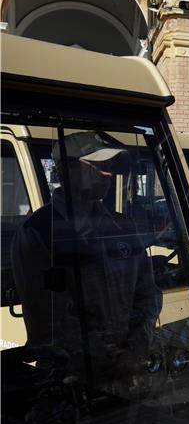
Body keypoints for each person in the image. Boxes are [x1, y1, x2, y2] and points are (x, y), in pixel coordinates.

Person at [11, 131, 160, 387]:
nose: (108, 173)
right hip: (71, 379)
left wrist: (137, 346)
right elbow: (48, 317)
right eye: (99, 165)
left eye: (110, 166)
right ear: (66, 170)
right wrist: (107, 358)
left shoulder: (122, 226)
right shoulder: (40, 232)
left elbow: (148, 292)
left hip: (128, 374)